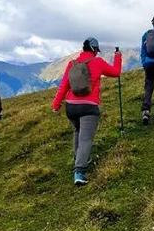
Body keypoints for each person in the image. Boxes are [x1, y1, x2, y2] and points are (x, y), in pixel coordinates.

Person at [51, 38, 122, 186]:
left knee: (78, 131)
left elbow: (64, 85)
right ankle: (80, 171)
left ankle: (79, 159)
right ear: (94, 49)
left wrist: (56, 105)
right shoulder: (98, 62)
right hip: (89, 107)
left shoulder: (72, 64)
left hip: (71, 107)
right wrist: (118, 57)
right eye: (96, 50)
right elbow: (116, 72)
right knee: (86, 139)